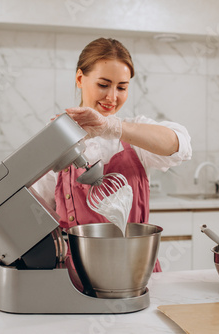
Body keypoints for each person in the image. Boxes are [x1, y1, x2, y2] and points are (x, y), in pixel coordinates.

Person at [33, 37, 192, 273]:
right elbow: (36, 212)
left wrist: (113, 128)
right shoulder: (57, 142)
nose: (112, 97)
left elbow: (180, 145)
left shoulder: (135, 133)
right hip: (77, 274)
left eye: (122, 87)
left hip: (135, 268)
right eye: (103, 84)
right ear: (80, 78)